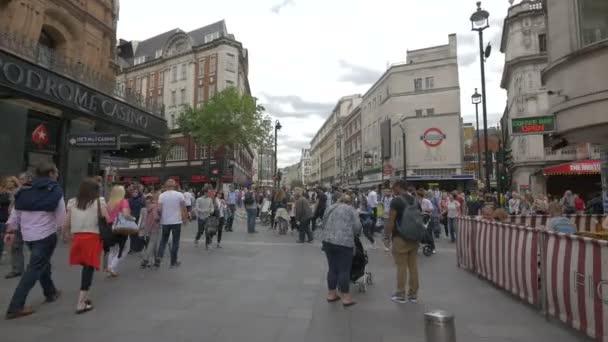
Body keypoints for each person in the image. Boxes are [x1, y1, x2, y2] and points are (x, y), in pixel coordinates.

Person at [4, 162, 65, 320]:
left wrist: (10, 230)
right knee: (34, 269)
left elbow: (16, 212)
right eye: (56, 172)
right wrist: (63, 230)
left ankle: (50, 292)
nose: (57, 174)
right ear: (51, 173)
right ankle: (15, 307)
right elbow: (61, 217)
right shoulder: (55, 190)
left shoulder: (24, 189)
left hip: (27, 235)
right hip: (46, 235)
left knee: (41, 263)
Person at [65, 178, 109, 314]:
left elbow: (66, 223)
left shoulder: (73, 202)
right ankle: (81, 302)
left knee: (85, 267)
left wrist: (66, 234)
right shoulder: (99, 201)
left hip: (77, 238)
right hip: (92, 237)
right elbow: (107, 218)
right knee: (88, 269)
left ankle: (85, 298)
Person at [319, 194, 361, 307]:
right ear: (350, 202)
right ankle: (346, 298)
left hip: (328, 241)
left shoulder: (330, 207)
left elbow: (322, 223)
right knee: (344, 270)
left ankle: (331, 294)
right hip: (344, 242)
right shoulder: (351, 210)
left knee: (332, 268)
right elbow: (357, 228)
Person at [386, 180, 420, 304]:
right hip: (414, 237)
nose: (392, 190)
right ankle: (413, 295)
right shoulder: (415, 200)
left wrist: (386, 237)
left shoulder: (396, 201)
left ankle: (400, 293)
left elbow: (391, 221)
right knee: (413, 266)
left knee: (401, 266)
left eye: (393, 187)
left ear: (398, 187)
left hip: (400, 237)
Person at [156, 179, 187, 267]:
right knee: (175, 242)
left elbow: (159, 209)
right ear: (175, 186)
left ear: (166, 186)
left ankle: (159, 256)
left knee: (163, 240)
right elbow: (183, 208)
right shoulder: (179, 195)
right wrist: (184, 218)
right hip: (176, 221)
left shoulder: (162, 195)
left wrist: (160, 217)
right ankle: (173, 262)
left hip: (165, 221)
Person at [4, 174, 28, 279]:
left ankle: (39, 270)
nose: (21, 181)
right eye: (20, 179)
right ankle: (17, 269)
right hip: (16, 222)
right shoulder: (16, 191)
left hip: (28, 222)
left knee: (36, 248)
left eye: (23, 179)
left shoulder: (28, 190)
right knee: (15, 246)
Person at [105, 185, 131, 277]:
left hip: (110, 226)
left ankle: (110, 268)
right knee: (125, 249)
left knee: (113, 249)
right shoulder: (123, 202)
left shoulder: (109, 203)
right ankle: (112, 266)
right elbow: (125, 214)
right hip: (120, 227)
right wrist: (131, 218)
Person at [139, 195, 160, 268]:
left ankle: (157, 260)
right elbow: (156, 217)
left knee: (154, 243)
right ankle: (146, 259)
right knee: (152, 243)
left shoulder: (148, 208)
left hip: (149, 227)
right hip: (156, 227)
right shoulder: (155, 206)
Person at [127, 186, 145, 254]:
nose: (134, 193)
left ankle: (138, 247)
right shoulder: (129, 200)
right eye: (133, 192)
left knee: (138, 233)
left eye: (136, 192)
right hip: (131, 218)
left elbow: (143, 210)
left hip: (139, 218)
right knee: (131, 234)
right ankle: (131, 248)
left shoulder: (141, 200)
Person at [417, 189, 436, 254]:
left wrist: (425, 210)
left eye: (418, 196)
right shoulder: (418, 201)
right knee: (421, 233)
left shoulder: (427, 201)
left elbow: (431, 209)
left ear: (420, 196)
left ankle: (433, 248)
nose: (417, 197)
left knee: (428, 233)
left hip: (428, 218)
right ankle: (420, 246)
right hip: (421, 218)